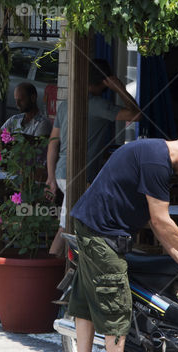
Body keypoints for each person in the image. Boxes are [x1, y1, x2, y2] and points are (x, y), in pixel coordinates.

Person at [68, 132, 178, 352]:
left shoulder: (155, 154)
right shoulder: (157, 163)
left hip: (90, 226)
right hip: (103, 234)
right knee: (117, 311)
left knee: (85, 303)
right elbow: (161, 220)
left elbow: (154, 220)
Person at [47, 58, 141, 255]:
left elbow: (53, 142)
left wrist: (51, 176)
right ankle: (50, 273)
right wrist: (120, 89)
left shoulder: (66, 105)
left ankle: (66, 270)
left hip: (63, 171)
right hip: (80, 176)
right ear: (104, 81)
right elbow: (136, 114)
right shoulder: (98, 105)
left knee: (75, 224)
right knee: (67, 226)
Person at [0, 82, 53, 149]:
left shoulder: (43, 123)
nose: (17, 104)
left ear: (33, 98)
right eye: (16, 100)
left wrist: (6, 145)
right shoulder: (14, 119)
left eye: (21, 100)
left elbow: (35, 149)